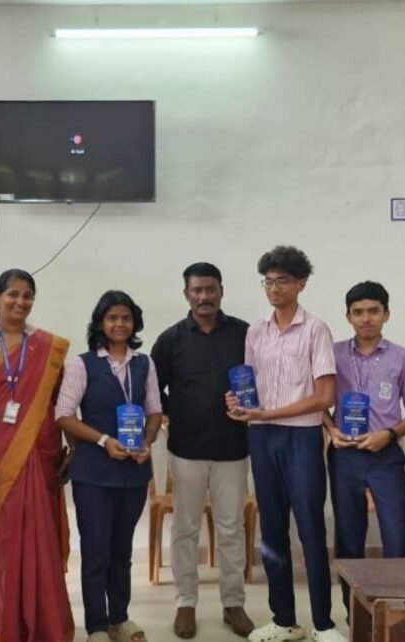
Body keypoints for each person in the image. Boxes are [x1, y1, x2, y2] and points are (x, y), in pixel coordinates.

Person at [225, 246, 342, 642]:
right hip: (262, 437)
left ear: (301, 284)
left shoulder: (316, 329)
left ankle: (324, 623)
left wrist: (268, 413)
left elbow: (325, 396)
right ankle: (283, 619)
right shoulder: (256, 331)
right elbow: (248, 388)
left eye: (283, 281)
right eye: (268, 281)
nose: (274, 288)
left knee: (310, 528)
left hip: (301, 438)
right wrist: (238, 404)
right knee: (272, 530)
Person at [0, 269, 75, 642]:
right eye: (12, 294)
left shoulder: (47, 347)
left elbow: (61, 405)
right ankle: (6, 629)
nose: (20, 302)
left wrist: (71, 448)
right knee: (3, 549)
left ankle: (48, 628)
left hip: (42, 458)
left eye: (27, 296)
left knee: (42, 546)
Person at [151, 262, 254, 639]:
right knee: (185, 528)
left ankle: (233, 603)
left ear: (221, 291)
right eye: (197, 290)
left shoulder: (245, 334)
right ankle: (185, 603)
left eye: (210, 289)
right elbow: (152, 391)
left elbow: (260, 382)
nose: (204, 296)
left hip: (233, 447)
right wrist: (175, 411)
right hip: (186, 448)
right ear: (187, 294)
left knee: (231, 528)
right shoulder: (170, 340)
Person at [56, 290, 162, 642]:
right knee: (96, 551)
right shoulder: (81, 364)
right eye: (112, 318)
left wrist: (147, 441)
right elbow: (64, 416)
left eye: (126, 318)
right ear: (100, 323)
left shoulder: (144, 363)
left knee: (122, 551)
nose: (119, 324)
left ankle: (119, 619)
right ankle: (97, 626)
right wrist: (103, 441)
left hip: (134, 471)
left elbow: (154, 411)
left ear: (134, 323)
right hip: (94, 474)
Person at [324, 281, 405, 609]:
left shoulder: (402, 357)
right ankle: (355, 615)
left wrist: (390, 435)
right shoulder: (332, 354)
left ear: (386, 314)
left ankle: (399, 611)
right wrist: (330, 429)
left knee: (397, 536)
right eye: (358, 312)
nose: (366, 318)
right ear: (348, 316)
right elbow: (317, 399)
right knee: (349, 538)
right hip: (344, 456)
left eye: (373, 311)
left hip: (385, 454)